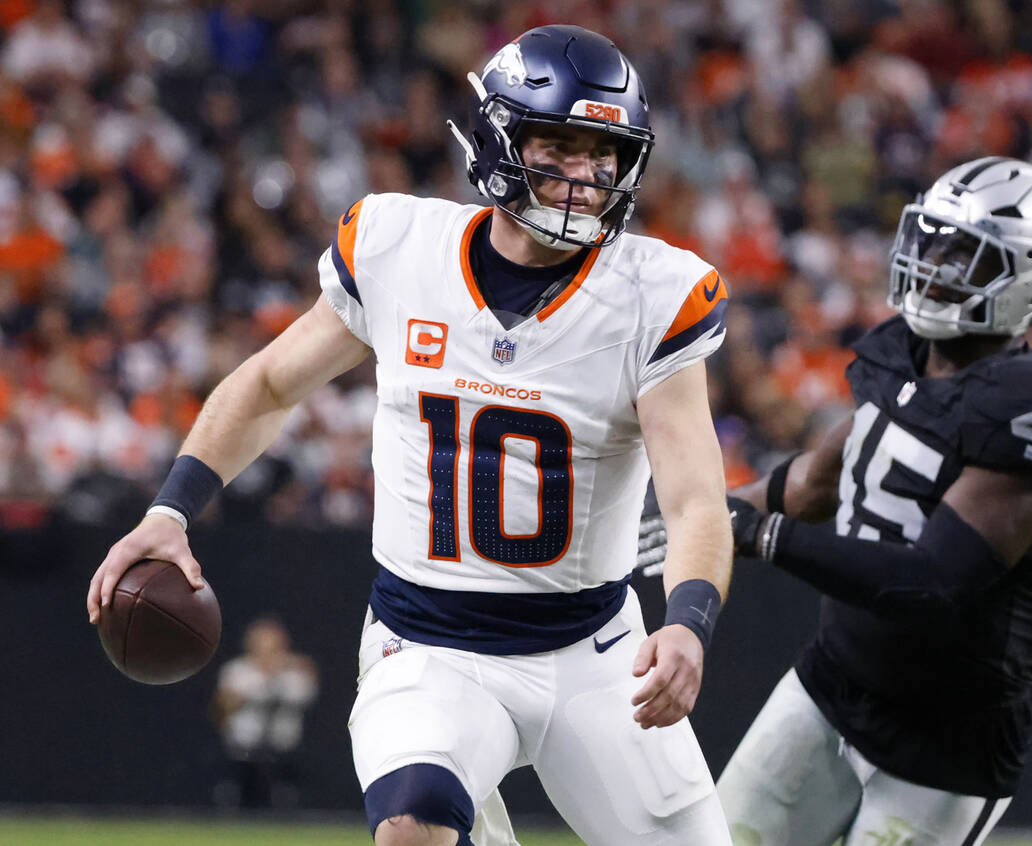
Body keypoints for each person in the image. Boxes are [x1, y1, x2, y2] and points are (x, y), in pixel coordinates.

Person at [87, 25, 734, 846]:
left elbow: (694, 499)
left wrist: (688, 621)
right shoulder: (400, 249)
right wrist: (170, 511)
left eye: (603, 154)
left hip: (596, 653)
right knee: (410, 827)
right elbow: (271, 383)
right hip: (429, 645)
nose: (585, 176)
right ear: (500, 138)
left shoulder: (654, 292)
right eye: (559, 146)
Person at [644, 157, 1032, 845]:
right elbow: (813, 483)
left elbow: (932, 583)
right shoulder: (904, 353)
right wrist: (704, 514)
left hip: (947, 741)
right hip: (831, 684)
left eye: (967, 255)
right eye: (935, 242)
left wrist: (766, 537)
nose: (936, 265)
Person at [211, 616, 319, 809]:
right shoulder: (237, 671)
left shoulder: (295, 674)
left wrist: (278, 671)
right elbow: (221, 708)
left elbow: (305, 695)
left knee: (285, 799)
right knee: (234, 798)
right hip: (243, 752)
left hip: (283, 752)